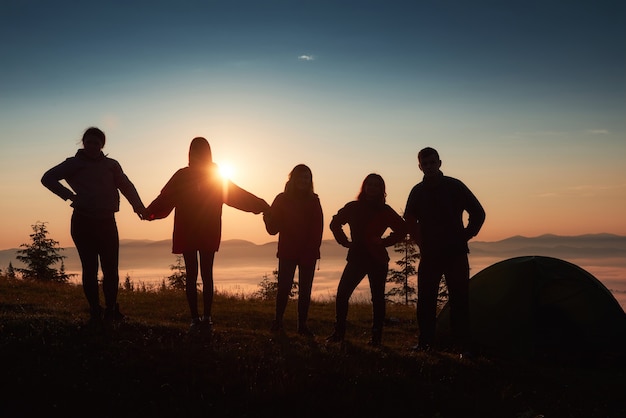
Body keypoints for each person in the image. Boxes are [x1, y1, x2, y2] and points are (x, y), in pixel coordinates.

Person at [145, 137, 269, 332]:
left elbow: (237, 195)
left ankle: (205, 317)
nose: (198, 155)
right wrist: (149, 212)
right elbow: (165, 198)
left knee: (204, 274)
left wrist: (260, 204)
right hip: (192, 231)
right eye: (196, 151)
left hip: (203, 231)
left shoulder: (212, 177)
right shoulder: (187, 176)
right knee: (194, 275)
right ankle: (197, 318)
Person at [41, 127, 147, 324]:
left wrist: (139, 207)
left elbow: (126, 186)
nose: (91, 146)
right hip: (83, 221)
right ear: (83, 143)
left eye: (96, 143)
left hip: (107, 221)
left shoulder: (111, 165)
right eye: (88, 142)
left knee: (110, 269)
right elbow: (47, 178)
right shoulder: (73, 164)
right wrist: (69, 196)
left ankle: (111, 310)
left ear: (102, 145)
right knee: (89, 268)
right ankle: (95, 311)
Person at [404, 147, 485, 352]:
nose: (429, 167)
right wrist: (420, 241)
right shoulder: (417, 191)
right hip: (430, 254)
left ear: (440, 163)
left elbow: (478, 212)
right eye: (425, 163)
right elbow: (409, 219)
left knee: (459, 300)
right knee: (425, 301)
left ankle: (462, 346)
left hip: (455, 253)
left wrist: (466, 235)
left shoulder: (455, 186)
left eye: (433, 162)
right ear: (420, 166)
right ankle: (426, 343)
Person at [326, 173, 407, 346]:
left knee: (377, 299)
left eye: (376, 185)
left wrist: (384, 241)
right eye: (369, 184)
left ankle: (376, 338)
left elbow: (402, 229)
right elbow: (335, 223)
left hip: (377, 259)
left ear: (381, 190)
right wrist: (344, 242)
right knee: (342, 295)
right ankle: (339, 333)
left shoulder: (385, 211)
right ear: (364, 187)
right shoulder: (353, 207)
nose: (372, 187)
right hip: (357, 257)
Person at [263, 164, 323, 336]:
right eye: (301, 177)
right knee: (283, 288)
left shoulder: (314, 201)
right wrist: (267, 219)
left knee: (305, 290)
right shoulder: (281, 199)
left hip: (308, 252)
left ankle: (301, 325)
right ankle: (278, 321)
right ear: (293, 179)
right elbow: (273, 229)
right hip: (288, 251)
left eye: (307, 178)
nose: (303, 181)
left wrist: (310, 251)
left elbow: (317, 229)